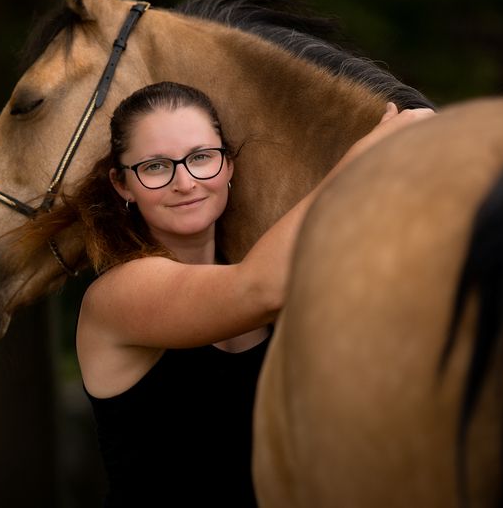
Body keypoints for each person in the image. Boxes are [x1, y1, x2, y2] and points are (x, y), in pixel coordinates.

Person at [27, 81, 433, 506]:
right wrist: (366, 156)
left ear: (228, 167)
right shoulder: (118, 296)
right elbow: (258, 289)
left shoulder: (267, 277)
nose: (184, 182)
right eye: (155, 167)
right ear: (122, 184)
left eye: (201, 158)